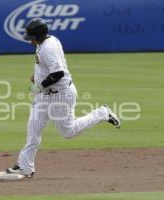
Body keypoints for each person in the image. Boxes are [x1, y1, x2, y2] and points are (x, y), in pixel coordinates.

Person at [6, 18, 121, 177]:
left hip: (60, 95)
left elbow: (58, 74)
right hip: (44, 97)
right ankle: (25, 166)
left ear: (39, 36)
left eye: (32, 37)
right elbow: (48, 67)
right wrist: (38, 76)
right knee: (33, 129)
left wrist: (38, 86)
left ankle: (102, 113)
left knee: (68, 132)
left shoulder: (48, 48)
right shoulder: (46, 41)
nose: (29, 40)